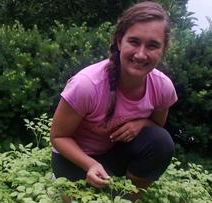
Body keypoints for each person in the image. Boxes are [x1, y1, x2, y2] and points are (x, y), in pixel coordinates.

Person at [50, 1, 178, 201]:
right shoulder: (86, 85)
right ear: (120, 41)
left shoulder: (163, 87)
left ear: (163, 50)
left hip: (114, 153)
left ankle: (126, 198)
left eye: (153, 45)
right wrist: (90, 165)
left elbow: (156, 127)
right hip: (74, 157)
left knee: (161, 142)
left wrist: (141, 123)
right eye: (134, 42)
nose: (141, 54)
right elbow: (58, 137)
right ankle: (64, 185)